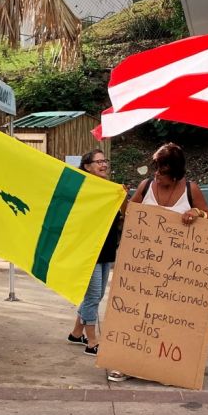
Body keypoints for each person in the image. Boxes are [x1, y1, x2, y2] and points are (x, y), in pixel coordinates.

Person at [107, 142, 208, 382]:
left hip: (176, 271)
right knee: (134, 315)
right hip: (142, 267)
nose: (156, 174)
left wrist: (197, 214)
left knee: (168, 319)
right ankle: (125, 364)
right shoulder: (145, 187)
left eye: (162, 170)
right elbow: (130, 215)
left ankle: (164, 367)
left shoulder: (190, 190)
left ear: (174, 172)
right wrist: (121, 199)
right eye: (155, 168)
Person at [67, 149, 126, 356]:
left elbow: (120, 217)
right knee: (93, 296)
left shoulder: (110, 189)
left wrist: (122, 197)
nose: (104, 165)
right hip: (89, 251)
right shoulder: (83, 190)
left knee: (97, 295)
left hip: (107, 249)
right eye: (98, 162)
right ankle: (92, 341)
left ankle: (76, 333)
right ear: (87, 167)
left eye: (105, 161)